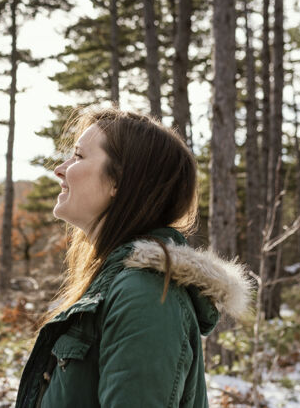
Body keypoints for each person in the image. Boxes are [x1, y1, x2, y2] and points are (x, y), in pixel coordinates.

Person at [15, 107, 251, 408]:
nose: (59, 169)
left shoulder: (146, 294)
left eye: (78, 156)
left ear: (119, 182)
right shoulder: (118, 283)